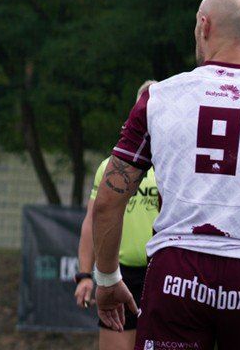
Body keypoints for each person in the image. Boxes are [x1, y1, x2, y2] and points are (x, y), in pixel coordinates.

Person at [91, 0, 240, 350]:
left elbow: (107, 200)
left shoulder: (159, 97)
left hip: (175, 276)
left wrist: (106, 279)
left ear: (204, 25)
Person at [73, 81, 159, 350]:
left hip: (165, 274)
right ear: (137, 111)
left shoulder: (177, 167)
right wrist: (85, 275)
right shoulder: (112, 168)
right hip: (122, 275)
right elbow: (93, 221)